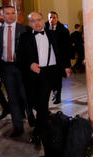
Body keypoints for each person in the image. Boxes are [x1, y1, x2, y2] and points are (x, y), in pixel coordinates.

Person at [17, 12, 71, 143]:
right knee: (34, 102)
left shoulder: (52, 34)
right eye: (33, 21)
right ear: (29, 24)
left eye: (39, 20)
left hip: (49, 72)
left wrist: (66, 66)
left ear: (43, 20)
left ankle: (39, 133)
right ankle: (46, 119)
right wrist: (30, 64)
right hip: (33, 74)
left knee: (42, 102)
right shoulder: (24, 37)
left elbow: (61, 52)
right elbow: (19, 58)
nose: (37, 23)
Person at [0, 5, 31, 137]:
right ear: (2, 15)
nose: (11, 16)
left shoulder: (24, 29)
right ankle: (18, 127)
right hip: (6, 68)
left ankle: (33, 121)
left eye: (13, 13)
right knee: (12, 98)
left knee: (26, 96)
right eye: (7, 13)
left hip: (22, 68)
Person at [45, 11, 71, 104]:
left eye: (54, 17)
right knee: (49, 79)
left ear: (57, 18)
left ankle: (57, 95)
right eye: (50, 17)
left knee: (57, 78)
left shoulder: (63, 30)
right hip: (46, 59)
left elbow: (67, 48)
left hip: (59, 59)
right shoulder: (44, 28)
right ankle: (54, 93)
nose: (52, 19)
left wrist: (67, 65)